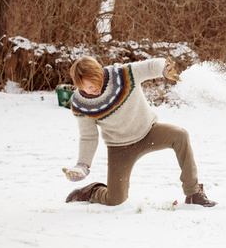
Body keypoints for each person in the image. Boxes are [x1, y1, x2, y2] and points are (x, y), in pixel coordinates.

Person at [62, 56, 216, 207]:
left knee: (180, 135)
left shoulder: (122, 75)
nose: (95, 88)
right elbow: (88, 136)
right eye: (89, 86)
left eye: (97, 82)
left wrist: (164, 68)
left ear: (101, 73)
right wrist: (82, 165)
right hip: (119, 148)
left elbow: (149, 67)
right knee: (115, 200)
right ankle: (91, 192)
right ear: (79, 84)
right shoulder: (80, 103)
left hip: (149, 132)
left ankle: (193, 193)